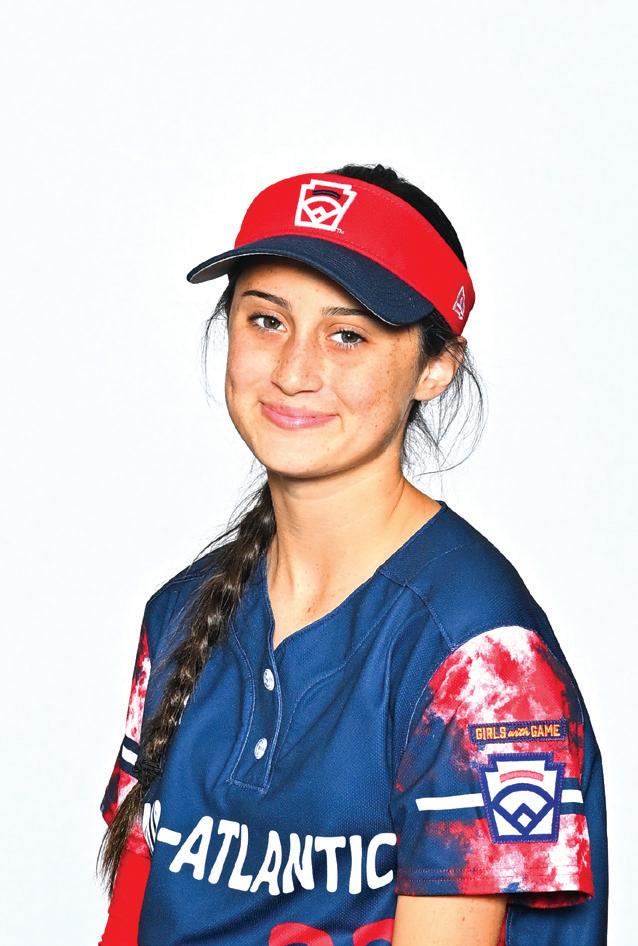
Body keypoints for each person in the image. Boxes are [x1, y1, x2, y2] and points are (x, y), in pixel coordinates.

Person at [97, 164, 608, 946]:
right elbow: (129, 920)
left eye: (348, 336)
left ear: (435, 366)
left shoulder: (482, 660)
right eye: (266, 320)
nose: (294, 372)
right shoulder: (180, 613)